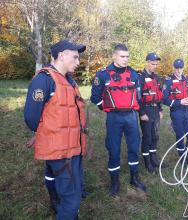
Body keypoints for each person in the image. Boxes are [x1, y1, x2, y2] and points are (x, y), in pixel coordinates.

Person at [24, 39, 87, 219]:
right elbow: (31, 118)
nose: (78, 61)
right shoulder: (44, 80)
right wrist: (43, 133)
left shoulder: (68, 80)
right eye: (75, 57)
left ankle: (58, 204)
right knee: (72, 199)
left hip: (72, 146)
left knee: (67, 189)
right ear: (61, 55)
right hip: (61, 151)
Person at [90, 43, 147, 197]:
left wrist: (139, 112)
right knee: (113, 149)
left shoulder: (134, 74)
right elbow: (94, 97)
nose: (125, 59)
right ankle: (114, 183)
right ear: (114, 56)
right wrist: (107, 108)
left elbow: (139, 96)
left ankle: (134, 178)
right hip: (114, 117)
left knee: (134, 147)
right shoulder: (102, 74)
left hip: (131, 117)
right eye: (122, 56)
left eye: (127, 56)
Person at [162, 59, 188, 163]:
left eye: (180, 68)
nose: (178, 70)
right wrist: (179, 102)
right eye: (176, 68)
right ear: (173, 68)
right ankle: (182, 157)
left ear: (183, 68)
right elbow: (164, 99)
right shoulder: (168, 82)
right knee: (180, 135)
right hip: (177, 112)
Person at [138, 52, 164, 173]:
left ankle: (154, 160)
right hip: (146, 110)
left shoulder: (156, 77)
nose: (155, 66)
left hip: (155, 110)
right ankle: (147, 162)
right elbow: (138, 98)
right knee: (147, 137)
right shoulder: (140, 77)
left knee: (155, 136)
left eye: (156, 64)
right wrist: (142, 113)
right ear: (147, 62)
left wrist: (160, 109)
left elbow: (158, 94)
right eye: (153, 64)